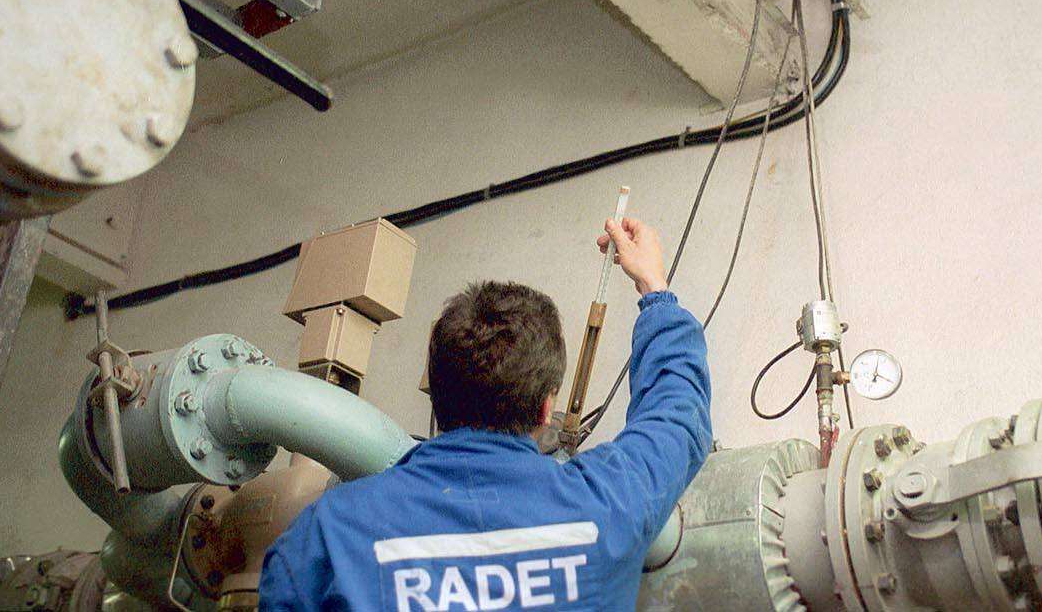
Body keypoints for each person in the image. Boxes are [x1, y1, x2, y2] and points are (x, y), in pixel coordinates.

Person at [260, 217, 712, 611]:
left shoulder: (327, 534)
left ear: (437, 395)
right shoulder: (607, 503)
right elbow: (676, 414)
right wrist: (653, 287)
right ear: (547, 405)